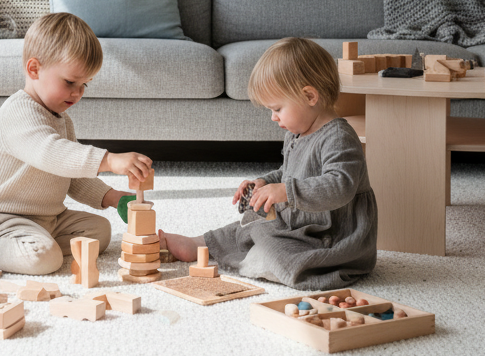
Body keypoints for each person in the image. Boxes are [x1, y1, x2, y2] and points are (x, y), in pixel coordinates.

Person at [0, 13, 153, 275]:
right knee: (43, 258)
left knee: (99, 232)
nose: (78, 92)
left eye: (85, 84)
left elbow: (72, 175)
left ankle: (28, 245)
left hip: (46, 219)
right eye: (70, 82)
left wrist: (111, 196)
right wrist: (109, 160)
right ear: (34, 69)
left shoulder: (62, 119)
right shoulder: (18, 114)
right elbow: (52, 153)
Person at [159, 38, 378, 290]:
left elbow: (340, 186)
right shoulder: (297, 133)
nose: (273, 117)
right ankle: (201, 244)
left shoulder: (339, 136)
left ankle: (265, 261)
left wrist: (285, 192)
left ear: (309, 96)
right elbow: (288, 172)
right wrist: (265, 182)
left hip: (333, 238)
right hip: (302, 224)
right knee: (250, 225)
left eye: (277, 108)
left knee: (273, 247)